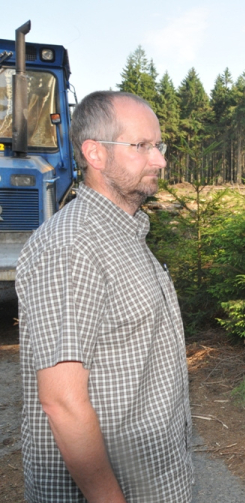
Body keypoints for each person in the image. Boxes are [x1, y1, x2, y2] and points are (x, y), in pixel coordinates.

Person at [16, 91, 193, 502]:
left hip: (152, 476)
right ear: (95, 153)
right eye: (142, 146)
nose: (161, 160)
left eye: (159, 145)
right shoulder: (73, 245)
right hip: (114, 489)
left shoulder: (124, 233)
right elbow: (62, 402)